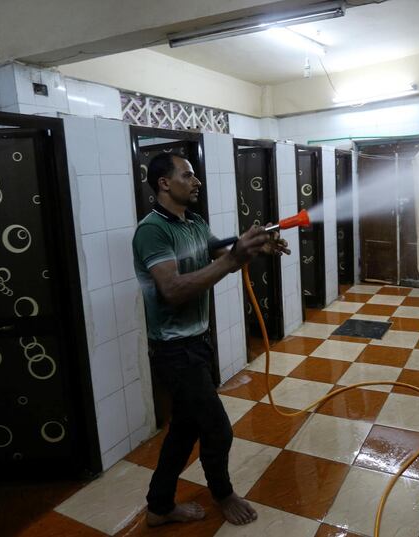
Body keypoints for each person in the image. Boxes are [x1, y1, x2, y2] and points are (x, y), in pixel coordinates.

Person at [132, 152, 289, 528]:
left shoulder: (195, 222)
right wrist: (232, 259)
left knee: (185, 429)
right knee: (217, 427)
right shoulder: (152, 230)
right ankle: (223, 492)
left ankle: (159, 506)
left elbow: (222, 256)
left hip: (197, 342)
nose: (196, 181)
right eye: (187, 175)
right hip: (174, 350)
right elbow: (170, 289)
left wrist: (255, 249)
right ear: (164, 184)